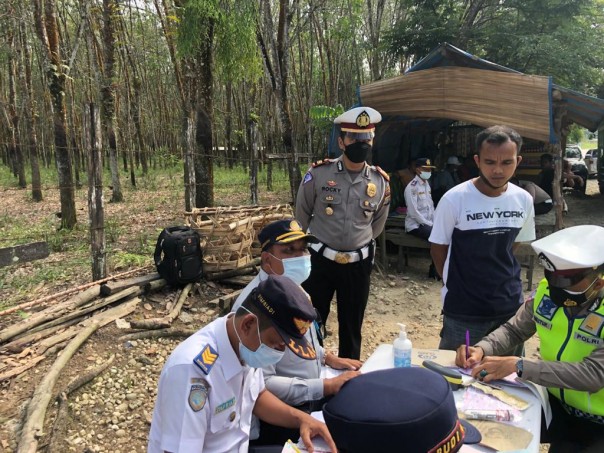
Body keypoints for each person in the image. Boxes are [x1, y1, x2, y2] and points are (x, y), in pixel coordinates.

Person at [455, 225, 604, 453]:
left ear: (599, 281)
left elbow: (594, 374)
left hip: (599, 422)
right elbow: (515, 329)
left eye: (565, 281)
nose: (555, 287)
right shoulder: (547, 292)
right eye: (551, 276)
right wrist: (481, 348)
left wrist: (520, 365)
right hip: (559, 406)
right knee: (479, 425)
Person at [148, 275, 337, 453]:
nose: (279, 353)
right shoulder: (192, 372)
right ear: (248, 324)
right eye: (276, 343)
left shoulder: (244, 343)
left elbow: (257, 396)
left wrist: (302, 419)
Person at [231, 219, 362, 446]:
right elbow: (262, 384)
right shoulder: (255, 308)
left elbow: (304, 338)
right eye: (289, 251)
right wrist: (325, 387)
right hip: (279, 417)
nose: (300, 257)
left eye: (303, 249)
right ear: (266, 260)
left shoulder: (291, 286)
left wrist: (328, 357)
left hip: (309, 397)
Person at [429, 125, 536, 353]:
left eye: (507, 162)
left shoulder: (524, 200)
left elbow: (512, 246)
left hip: (510, 308)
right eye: (490, 162)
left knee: (506, 379)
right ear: (477, 161)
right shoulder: (454, 200)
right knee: (456, 376)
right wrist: (456, 283)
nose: (498, 170)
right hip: (464, 310)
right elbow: (438, 249)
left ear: (518, 160)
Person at [296, 106, 390, 360]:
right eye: (354, 138)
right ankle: (310, 373)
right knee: (311, 323)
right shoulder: (318, 174)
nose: (361, 144)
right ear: (341, 141)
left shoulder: (380, 182)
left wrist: (356, 243)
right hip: (320, 262)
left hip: (357, 266)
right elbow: (301, 216)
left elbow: (376, 225)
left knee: (352, 327)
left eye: (366, 139)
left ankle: (348, 379)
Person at [404, 157, 436, 241]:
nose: (429, 172)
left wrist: (435, 222)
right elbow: (413, 212)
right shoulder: (412, 187)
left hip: (428, 223)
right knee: (436, 236)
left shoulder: (427, 185)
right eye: (426, 169)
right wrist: (428, 223)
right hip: (416, 226)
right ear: (418, 170)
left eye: (430, 169)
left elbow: (430, 206)